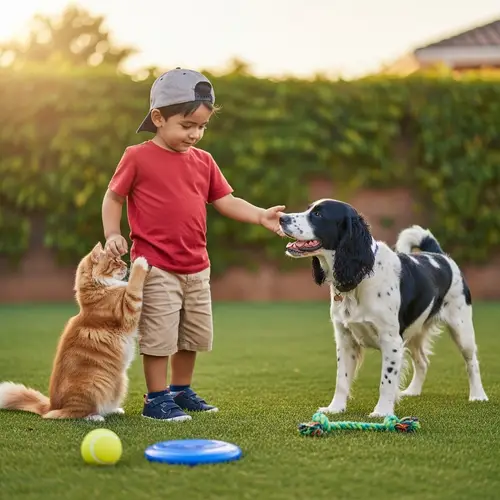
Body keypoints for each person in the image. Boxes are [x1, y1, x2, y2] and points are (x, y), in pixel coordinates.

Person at [102, 68, 285, 421]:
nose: (195, 134)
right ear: (158, 117)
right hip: (154, 266)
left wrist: (261, 215)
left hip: (197, 267)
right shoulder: (137, 157)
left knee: (191, 334)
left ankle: (180, 391)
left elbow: (226, 200)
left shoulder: (204, 161)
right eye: (187, 126)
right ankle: (156, 399)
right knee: (159, 335)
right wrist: (113, 233)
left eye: (201, 127)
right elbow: (113, 198)